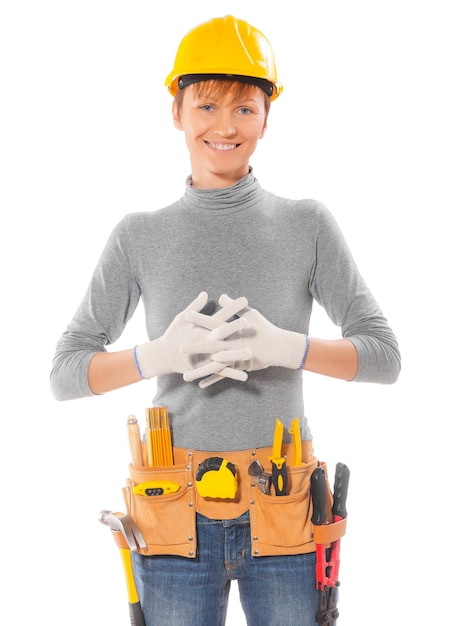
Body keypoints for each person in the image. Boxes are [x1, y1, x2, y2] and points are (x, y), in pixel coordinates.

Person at [51, 15, 400, 626]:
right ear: (177, 111)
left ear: (267, 118)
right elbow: (65, 373)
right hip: (172, 509)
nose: (224, 125)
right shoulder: (140, 236)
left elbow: (384, 357)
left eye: (244, 108)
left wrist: (286, 347)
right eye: (206, 105)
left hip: (284, 505)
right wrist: (153, 357)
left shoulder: (307, 225)